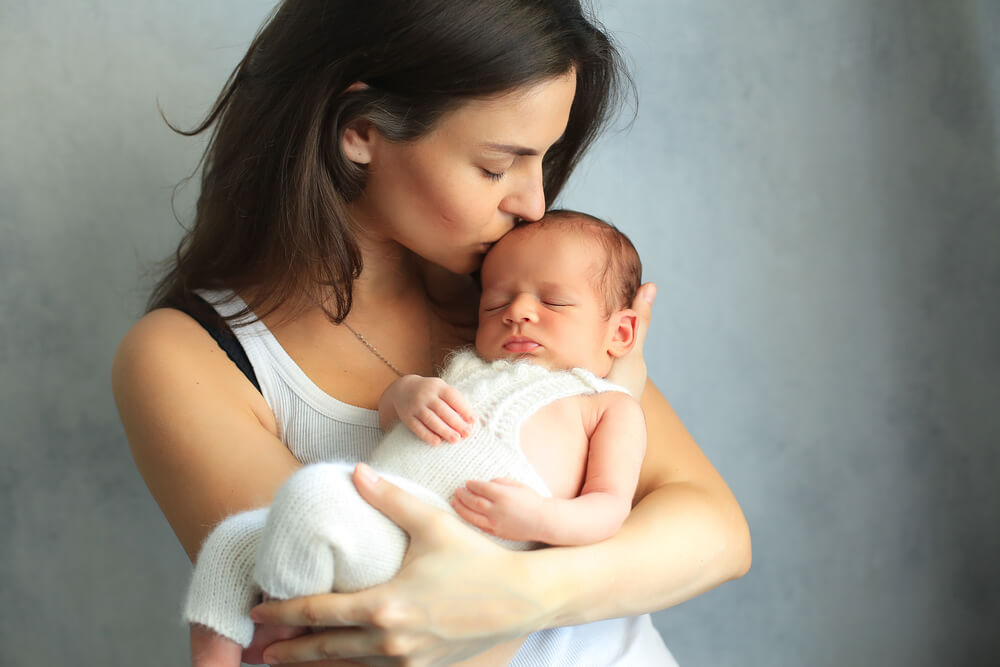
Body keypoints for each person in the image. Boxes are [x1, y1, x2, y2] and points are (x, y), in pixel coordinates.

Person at [112, 1, 752, 665]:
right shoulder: (191, 356)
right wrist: (559, 580)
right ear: (360, 129)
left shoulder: (519, 291)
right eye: (497, 166)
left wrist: (525, 592)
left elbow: (717, 531)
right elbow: (357, 646)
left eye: (545, 159)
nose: (533, 204)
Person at [185, 213, 651, 667]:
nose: (517, 313)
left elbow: (609, 507)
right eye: (495, 303)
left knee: (312, 495)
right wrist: (405, 394)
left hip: (447, 561)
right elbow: (393, 420)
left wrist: (540, 518)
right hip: (385, 521)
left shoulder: (607, 404)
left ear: (621, 331)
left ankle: (283, 625)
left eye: (552, 303)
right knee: (233, 540)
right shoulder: (467, 366)